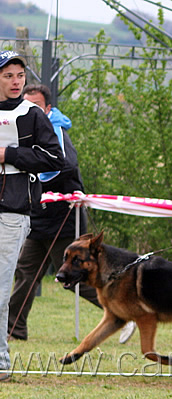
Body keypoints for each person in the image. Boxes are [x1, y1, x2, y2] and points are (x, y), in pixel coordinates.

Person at [7, 84, 102, 342]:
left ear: (48, 109)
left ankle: (119, 311)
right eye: (27, 106)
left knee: (76, 276)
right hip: (36, 218)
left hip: (64, 218)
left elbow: (66, 166)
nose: (30, 111)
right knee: (25, 273)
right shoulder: (18, 128)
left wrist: (38, 178)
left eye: (36, 107)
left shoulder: (56, 130)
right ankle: (14, 330)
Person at [0, 51, 64, 380]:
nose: (15, 81)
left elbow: (55, 159)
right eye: (8, 75)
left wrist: (7, 155)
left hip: (13, 212)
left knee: (0, 288)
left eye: (19, 75)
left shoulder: (33, 115)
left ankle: (1, 361)